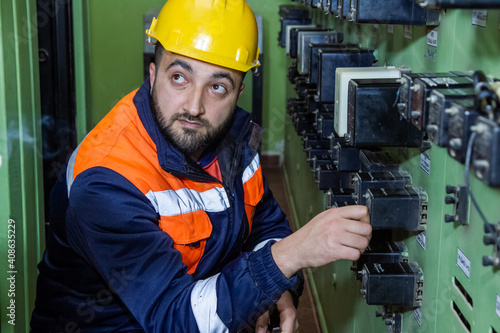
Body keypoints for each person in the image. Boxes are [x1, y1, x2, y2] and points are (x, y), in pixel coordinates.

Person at [30, 0, 372, 332]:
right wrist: (287, 258)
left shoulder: (236, 142)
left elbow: (265, 227)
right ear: (152, 74)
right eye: (180, 77)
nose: (194, 107)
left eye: (217, 87)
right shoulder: (107, 183)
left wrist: (277, 288)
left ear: (238, 91)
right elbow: (175, 319)